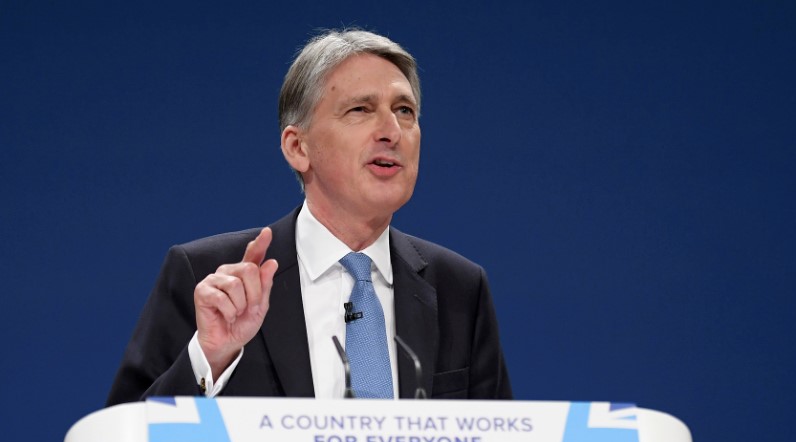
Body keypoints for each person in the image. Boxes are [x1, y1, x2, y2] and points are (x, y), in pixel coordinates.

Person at [106, 29, 512, 405]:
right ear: (298, 148)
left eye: (405, 110)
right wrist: (208, 359)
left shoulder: (460, 289)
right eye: (360, 109)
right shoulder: (210, 277)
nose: (392, 130)